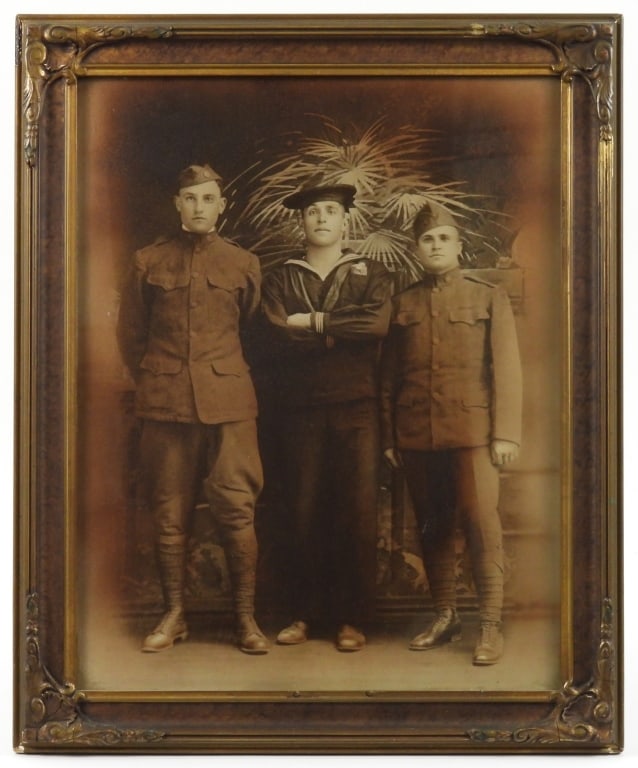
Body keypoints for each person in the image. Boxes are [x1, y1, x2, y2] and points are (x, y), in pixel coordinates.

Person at [116, 163, 269, 655]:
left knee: (237, 510)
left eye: (208, 199)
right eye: (191, 199)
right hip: (165, 405)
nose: (200, 207)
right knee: (169, 513)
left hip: (229, 405)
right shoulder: (148, 261)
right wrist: (157, 381)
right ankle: (174, 614)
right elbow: (131, 335)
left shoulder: (243, 263)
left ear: (222, 206)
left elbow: (251, 330)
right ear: (177, 205)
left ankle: (245, 619)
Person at [379, 202, 522, 665]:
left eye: (443, 239)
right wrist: (390, 437)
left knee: (482, 525)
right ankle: (445, 614)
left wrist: (506, 434)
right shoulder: (404, 303)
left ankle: (489, 625)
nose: (435, 246)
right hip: (418, 435)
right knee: (433, 527)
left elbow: (507, 370)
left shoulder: (486, 297)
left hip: (474, 433)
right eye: (427, 240)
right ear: (416, 249)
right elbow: (388, 378)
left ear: (459, 246)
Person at [260, 181, 393, 652]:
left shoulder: (371, 271)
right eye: (312, 211)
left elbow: (375, 325)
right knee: (300, 509)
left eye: (330, 212)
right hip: (298, 411)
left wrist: (314, 323)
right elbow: (275, 333)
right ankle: (301, 613)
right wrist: (342, 330)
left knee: (354, 511)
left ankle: (351, 618)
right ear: (302, 221)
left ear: (345, 221)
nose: (321, 218)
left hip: (357, 407)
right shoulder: (280, 276)